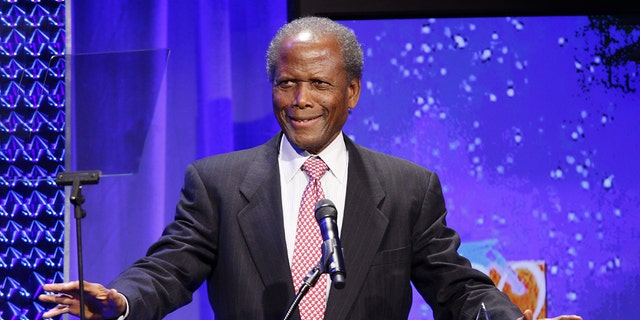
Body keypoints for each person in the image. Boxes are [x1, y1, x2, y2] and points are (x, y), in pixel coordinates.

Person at [39, 16, 582, 320]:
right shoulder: (219, 183)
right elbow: (169, 267)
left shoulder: (409, 189)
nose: (299, 99)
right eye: (286, 82)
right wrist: (122, 298)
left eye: (319, 84)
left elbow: (457, 288)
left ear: (352, 92)